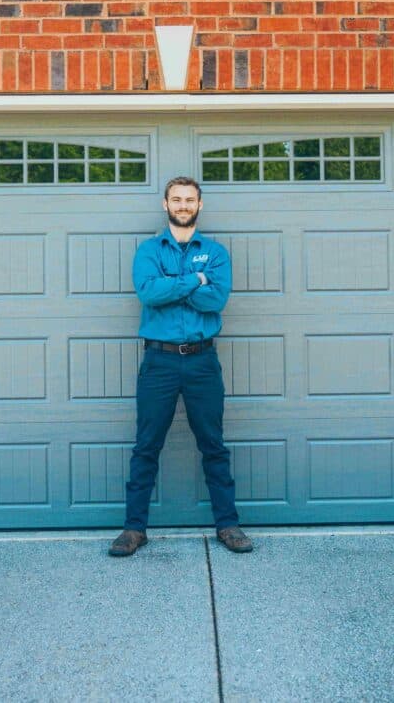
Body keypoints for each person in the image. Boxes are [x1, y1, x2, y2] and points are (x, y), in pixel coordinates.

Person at [109, 177, 254, 557]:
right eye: (177, 199)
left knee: (213, 445)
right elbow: (149, 293)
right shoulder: (149, 250)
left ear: (199, 205)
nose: (183, 205)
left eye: (190, 199)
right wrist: (194, 279)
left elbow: (214, 300)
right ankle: (133, 529)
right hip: (159, 361)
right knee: (146, 446)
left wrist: (176, 286)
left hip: (203, 361)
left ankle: (228, 524)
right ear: (165, 204)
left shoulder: (217, 252)